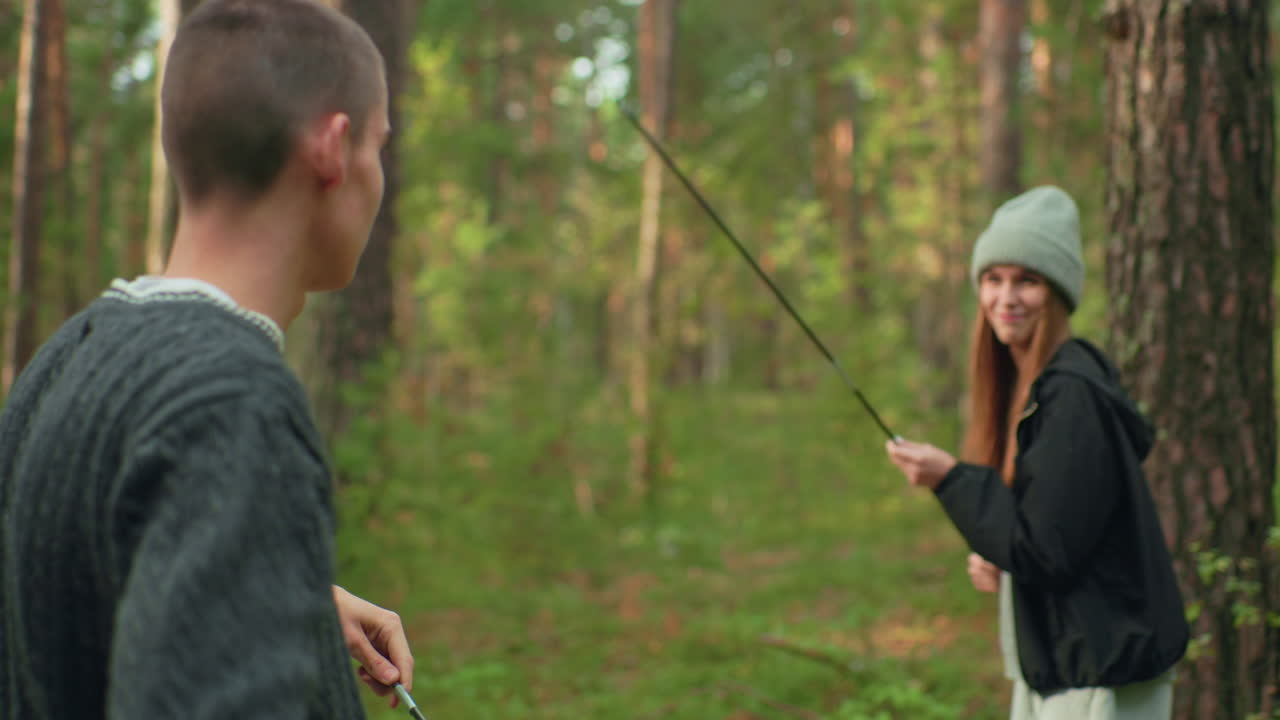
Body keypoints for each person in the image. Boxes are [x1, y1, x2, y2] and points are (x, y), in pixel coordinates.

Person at [0, 1, 415, 717]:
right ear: (332, 147)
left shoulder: (65, 359)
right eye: (379, 145)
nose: (377, 176)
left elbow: (62, 612)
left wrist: (275, 594)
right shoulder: (232, 402)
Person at [884, 186, 1189, 719]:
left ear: (1058, 292)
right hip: (1062, 665)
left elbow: (1045, 548)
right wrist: (998, 554)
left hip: (1100, 676)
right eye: (993, 279)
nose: (1006, 298)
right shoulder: (1037, 389)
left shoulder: (1072, 394)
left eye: (1027, 280)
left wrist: (951, 479)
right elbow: (1056, 530)